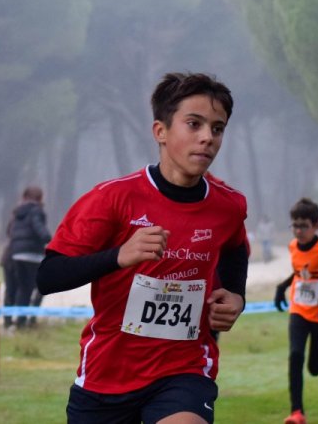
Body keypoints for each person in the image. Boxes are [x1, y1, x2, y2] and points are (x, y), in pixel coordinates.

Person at [36, 72, 250, 424]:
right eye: (194, 124)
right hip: (107, 376)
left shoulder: (228, 206)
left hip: (184, 370)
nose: (207, 138)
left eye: (217, 128)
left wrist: (236, 296)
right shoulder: (111, 199)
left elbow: (234, 248)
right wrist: (119, 256)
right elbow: (48, 276)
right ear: (160, 132)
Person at [275, 198, 318, 424]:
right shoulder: (293, 246)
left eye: (304, 225)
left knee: (314, 368)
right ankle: (297, 412)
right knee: (295, 355)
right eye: (295, 225)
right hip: (299, 310)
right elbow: (299, 272)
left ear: (316, 226)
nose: (298, 230)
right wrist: (282, 287)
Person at [3, 185, 53, 329]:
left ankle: (7, 321)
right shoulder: (36, 211)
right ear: (39, 198)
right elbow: (41, 231)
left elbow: (9, 232)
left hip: (13, 254)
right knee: (27, 288)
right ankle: (22, 321)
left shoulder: (16, 213)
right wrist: (49, 238)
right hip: (32, 255)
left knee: (12, 288)